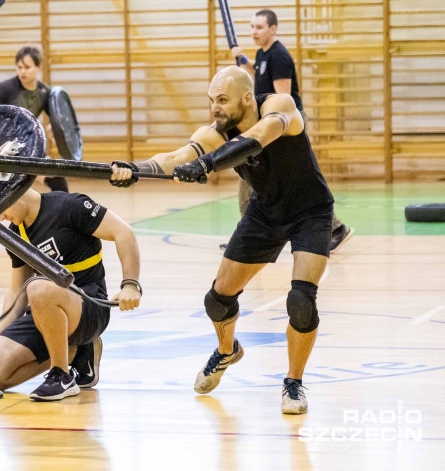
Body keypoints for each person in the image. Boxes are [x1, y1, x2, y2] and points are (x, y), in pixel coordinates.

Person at [111, 66, 333, 415]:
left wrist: (207, 164)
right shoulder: (216, 132)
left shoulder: (279, 106)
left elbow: (259, 137)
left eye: (223, 100)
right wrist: (132, 170)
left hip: (311, 211)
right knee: (217, 300)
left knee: (301, 300)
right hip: (264, 214)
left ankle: (293, 382)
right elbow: (174, 159)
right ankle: (228, 351)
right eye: (211, 100)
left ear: (247, 98)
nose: (215, 107)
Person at [0, 188, 142, 401]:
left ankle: (61, 376)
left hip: (90, 307)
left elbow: (123, 232)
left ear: (14, 193)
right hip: (45, 309)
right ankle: (79, 353)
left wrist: (130, 284)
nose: (1, 217)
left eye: (0, 208)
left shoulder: (69, 206)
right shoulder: (16, 233)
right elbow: (16, 292)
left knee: (38, 287)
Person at [230, 9, 353, 253]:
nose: (254, 31)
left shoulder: (279, 57)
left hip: (283, 125)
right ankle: (249, 235)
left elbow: (282, 100)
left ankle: (334, 228)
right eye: (252, 27)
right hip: (269, 123)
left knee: (273, 178)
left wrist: (265, 128)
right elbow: (259, 71)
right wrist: (244, 61)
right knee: (260, 178)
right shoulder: (264, 54)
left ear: (273, 29)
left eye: (259, 27)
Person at [0, 46, 69, 193]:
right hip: (2, 148)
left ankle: (64, 211)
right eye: (19, 67)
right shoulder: (5, 88)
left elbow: (56, 122)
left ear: (38, 67)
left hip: (27, 145)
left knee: (57, 178)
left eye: (27, 67)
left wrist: (53, 131)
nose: (22, 71)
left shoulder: (44, 92)